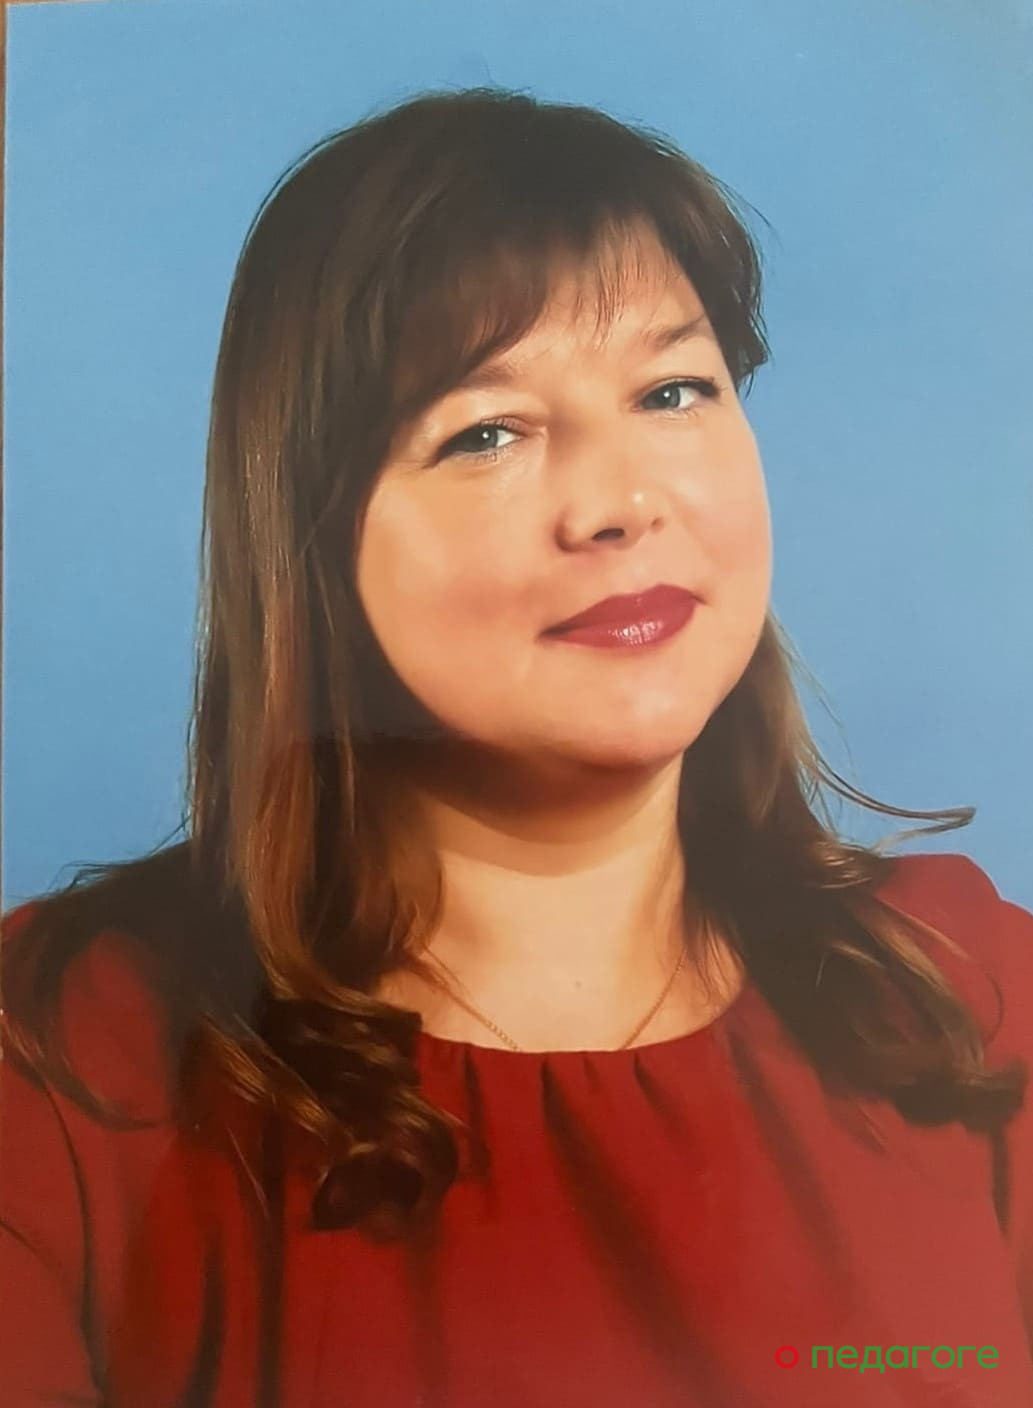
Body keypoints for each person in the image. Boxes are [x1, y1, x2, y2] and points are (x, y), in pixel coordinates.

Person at [1, 86, 1032, 1408]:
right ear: (308, 536)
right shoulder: (66, 1064)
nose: (620, 502)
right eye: (484, 432)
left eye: (673, 389)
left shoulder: (970, 992)